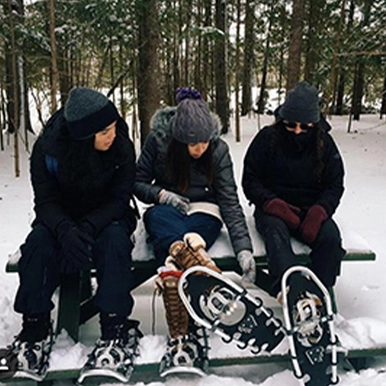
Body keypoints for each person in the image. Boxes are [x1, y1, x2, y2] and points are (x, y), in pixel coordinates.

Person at [8, 87, 142, 382]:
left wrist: (89, 226)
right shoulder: (48, 151)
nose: (113, 134)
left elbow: (120, 198)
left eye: (114, 126)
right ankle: (34, 329)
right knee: (38, 245)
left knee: (114, 243)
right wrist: (66, 230)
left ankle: (115, 328)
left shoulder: (120, 145)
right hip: (61, 218)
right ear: (84, 135)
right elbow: (45, 201)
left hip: (108, 218)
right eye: (104, 130)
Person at [134, 87, 254, 375]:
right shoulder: (158, 142)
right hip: (166, 208)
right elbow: (136, 182)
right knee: (161, 221)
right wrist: (162, 195)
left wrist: (244, 249)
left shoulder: (218, 150)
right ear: (178, 139)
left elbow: (228, 200)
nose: (200, 148)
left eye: (204, 142)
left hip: (204, 214)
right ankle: (207, 275)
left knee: (175, 249)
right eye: (193, 143)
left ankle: (180, 319)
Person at [242, 81, 346, 315]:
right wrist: (270, 203)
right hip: (273, 207)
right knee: (276, 236)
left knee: (330, 238)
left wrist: (320, 211)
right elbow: (250, 179)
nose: (297, 131)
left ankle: (318, 293)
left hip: (310, 208)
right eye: (291, 125)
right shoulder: (266, 139)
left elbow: (334, 184)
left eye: (304, 126)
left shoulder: (325, 144)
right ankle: (290, 290)